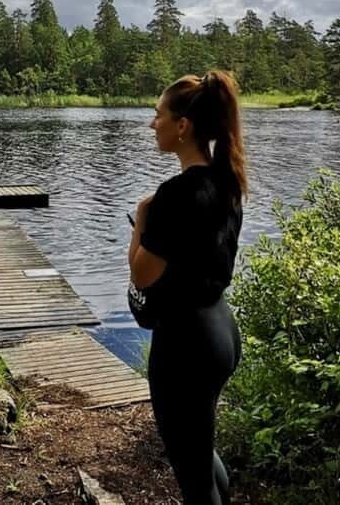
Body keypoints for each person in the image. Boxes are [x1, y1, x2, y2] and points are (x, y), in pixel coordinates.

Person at [127, 70, 246, 504]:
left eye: (158, 115)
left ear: (183, 126)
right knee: (200, 445)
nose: (151, 123)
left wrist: (142, 219)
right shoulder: (227, 182)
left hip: (186, 344)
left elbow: (141, 274)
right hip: (220, 330)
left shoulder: (174, 195)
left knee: (192, 471)